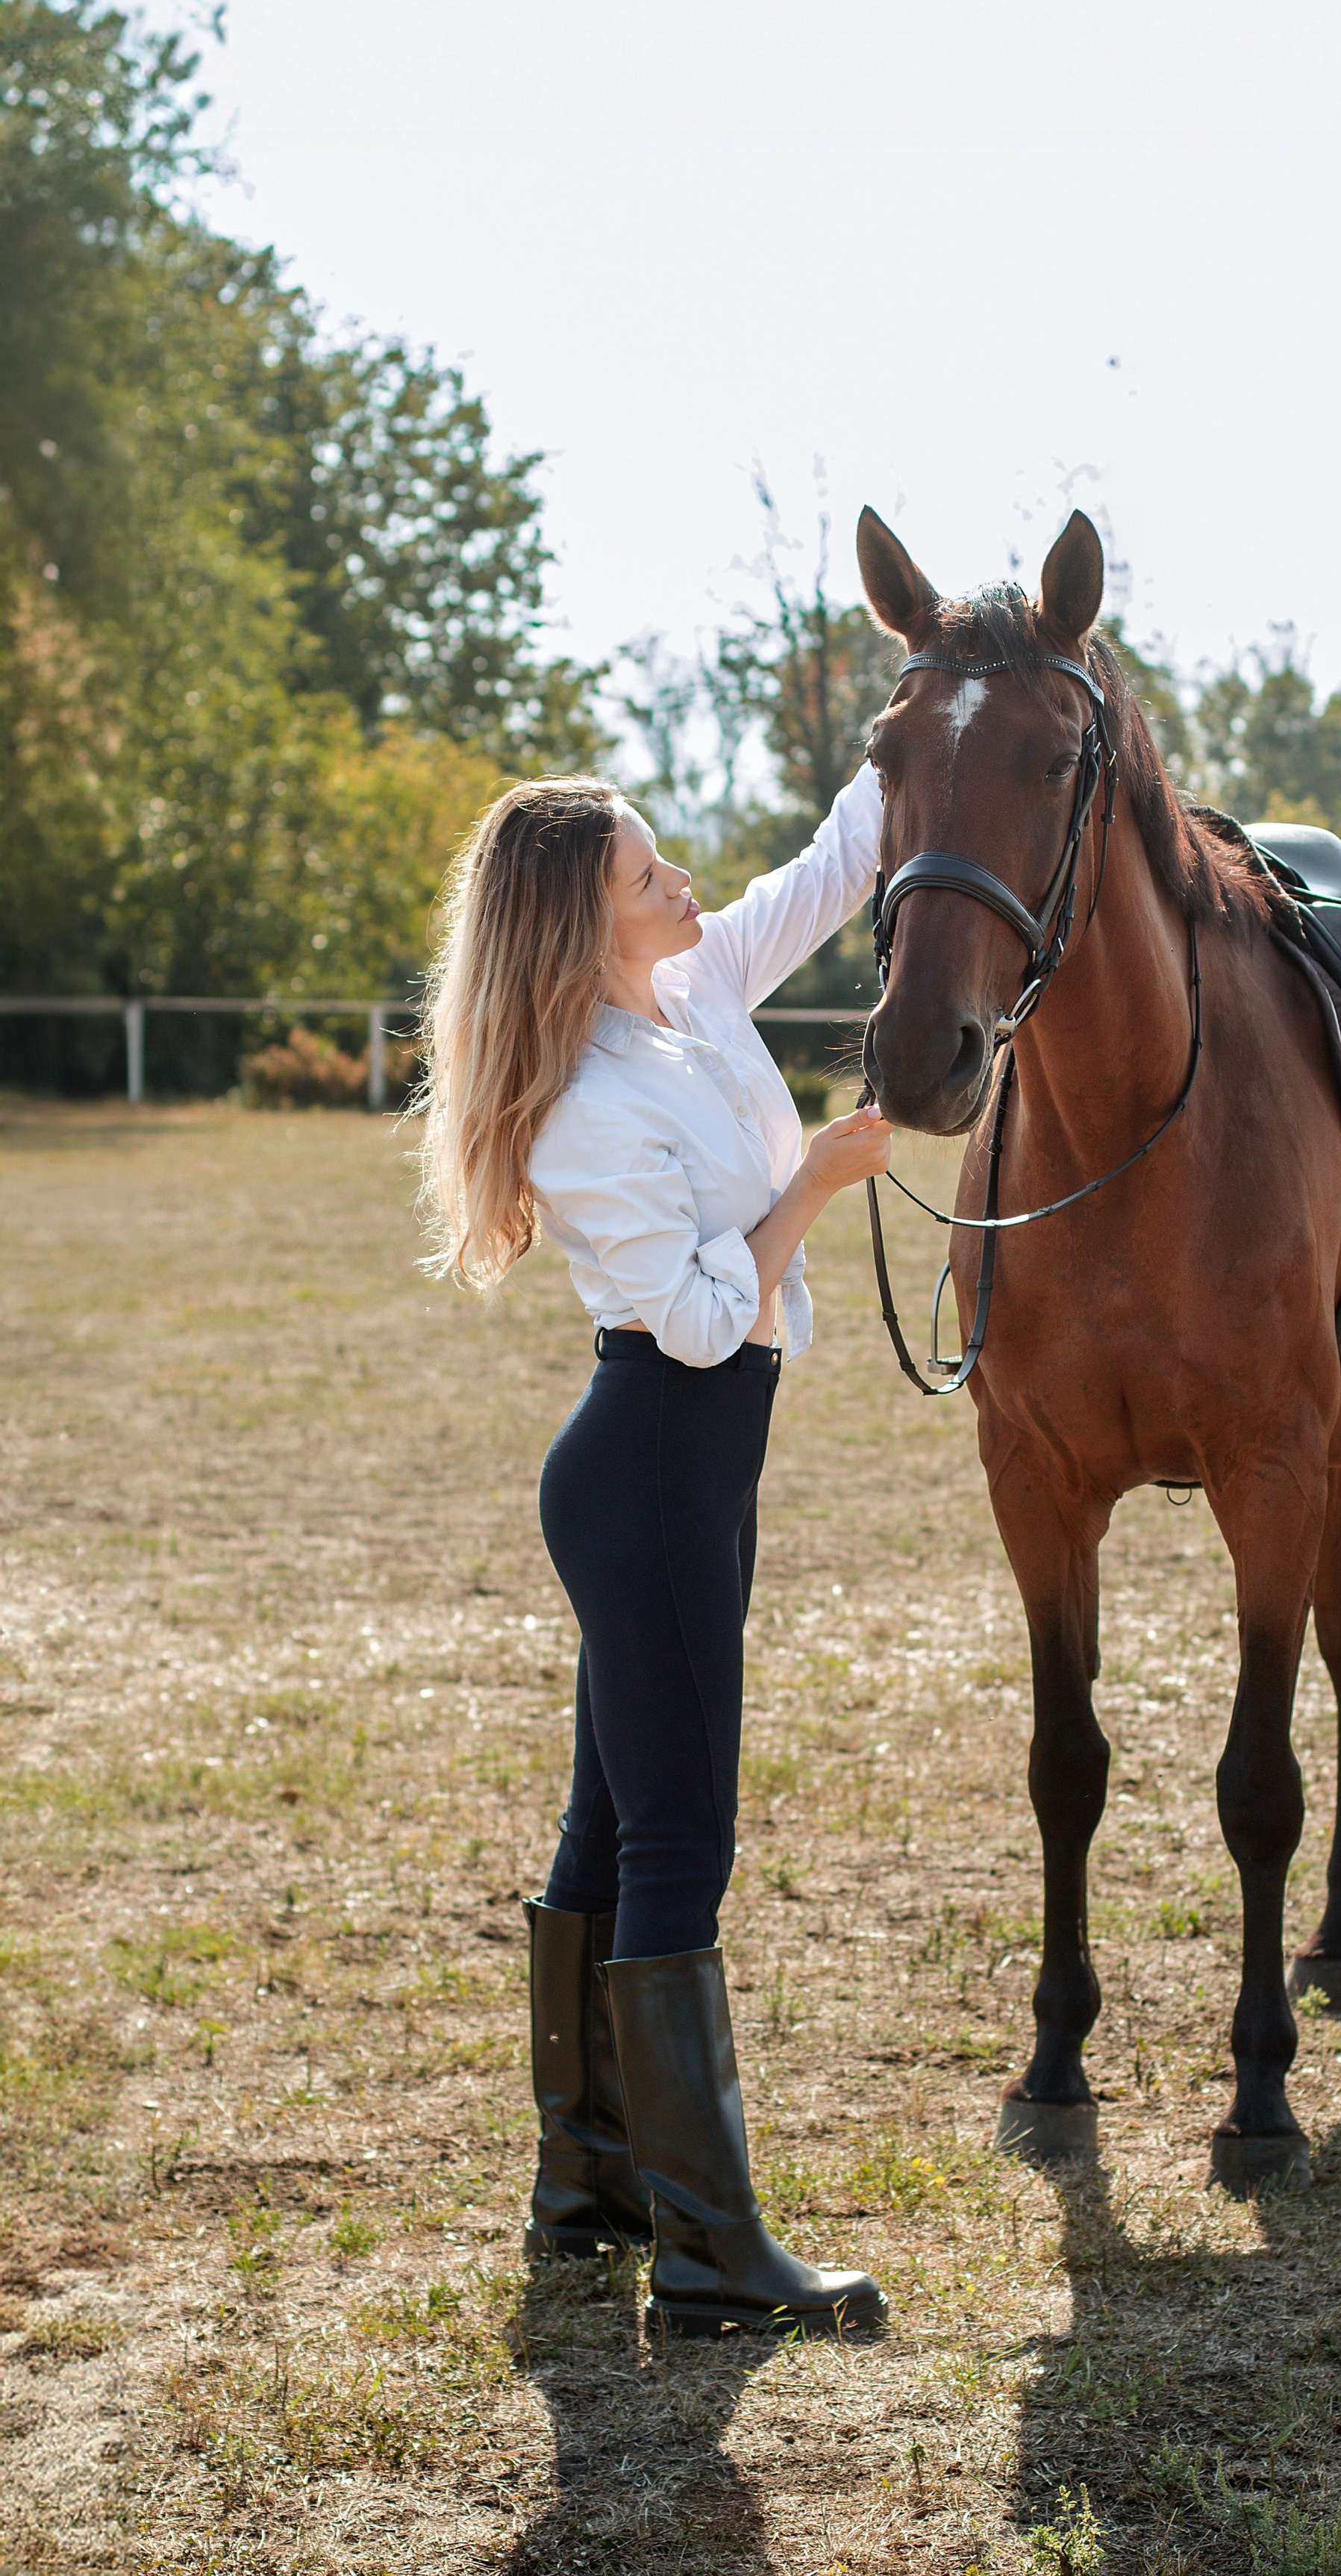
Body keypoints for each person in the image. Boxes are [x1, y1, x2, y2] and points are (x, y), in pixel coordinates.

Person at [413, 762, 892, 2337]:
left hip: (682, 1474)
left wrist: (912, 736)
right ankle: (707, 2255)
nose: (682, 881)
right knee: (679, 1840)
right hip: (654, 1472)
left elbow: (822, 878)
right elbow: (694, 1322)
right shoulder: (583, 1109)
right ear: (580, 927)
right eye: (644, 873)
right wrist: (812, 1184)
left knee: (608, 1828)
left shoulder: (687, 991)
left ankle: (587, 2190)